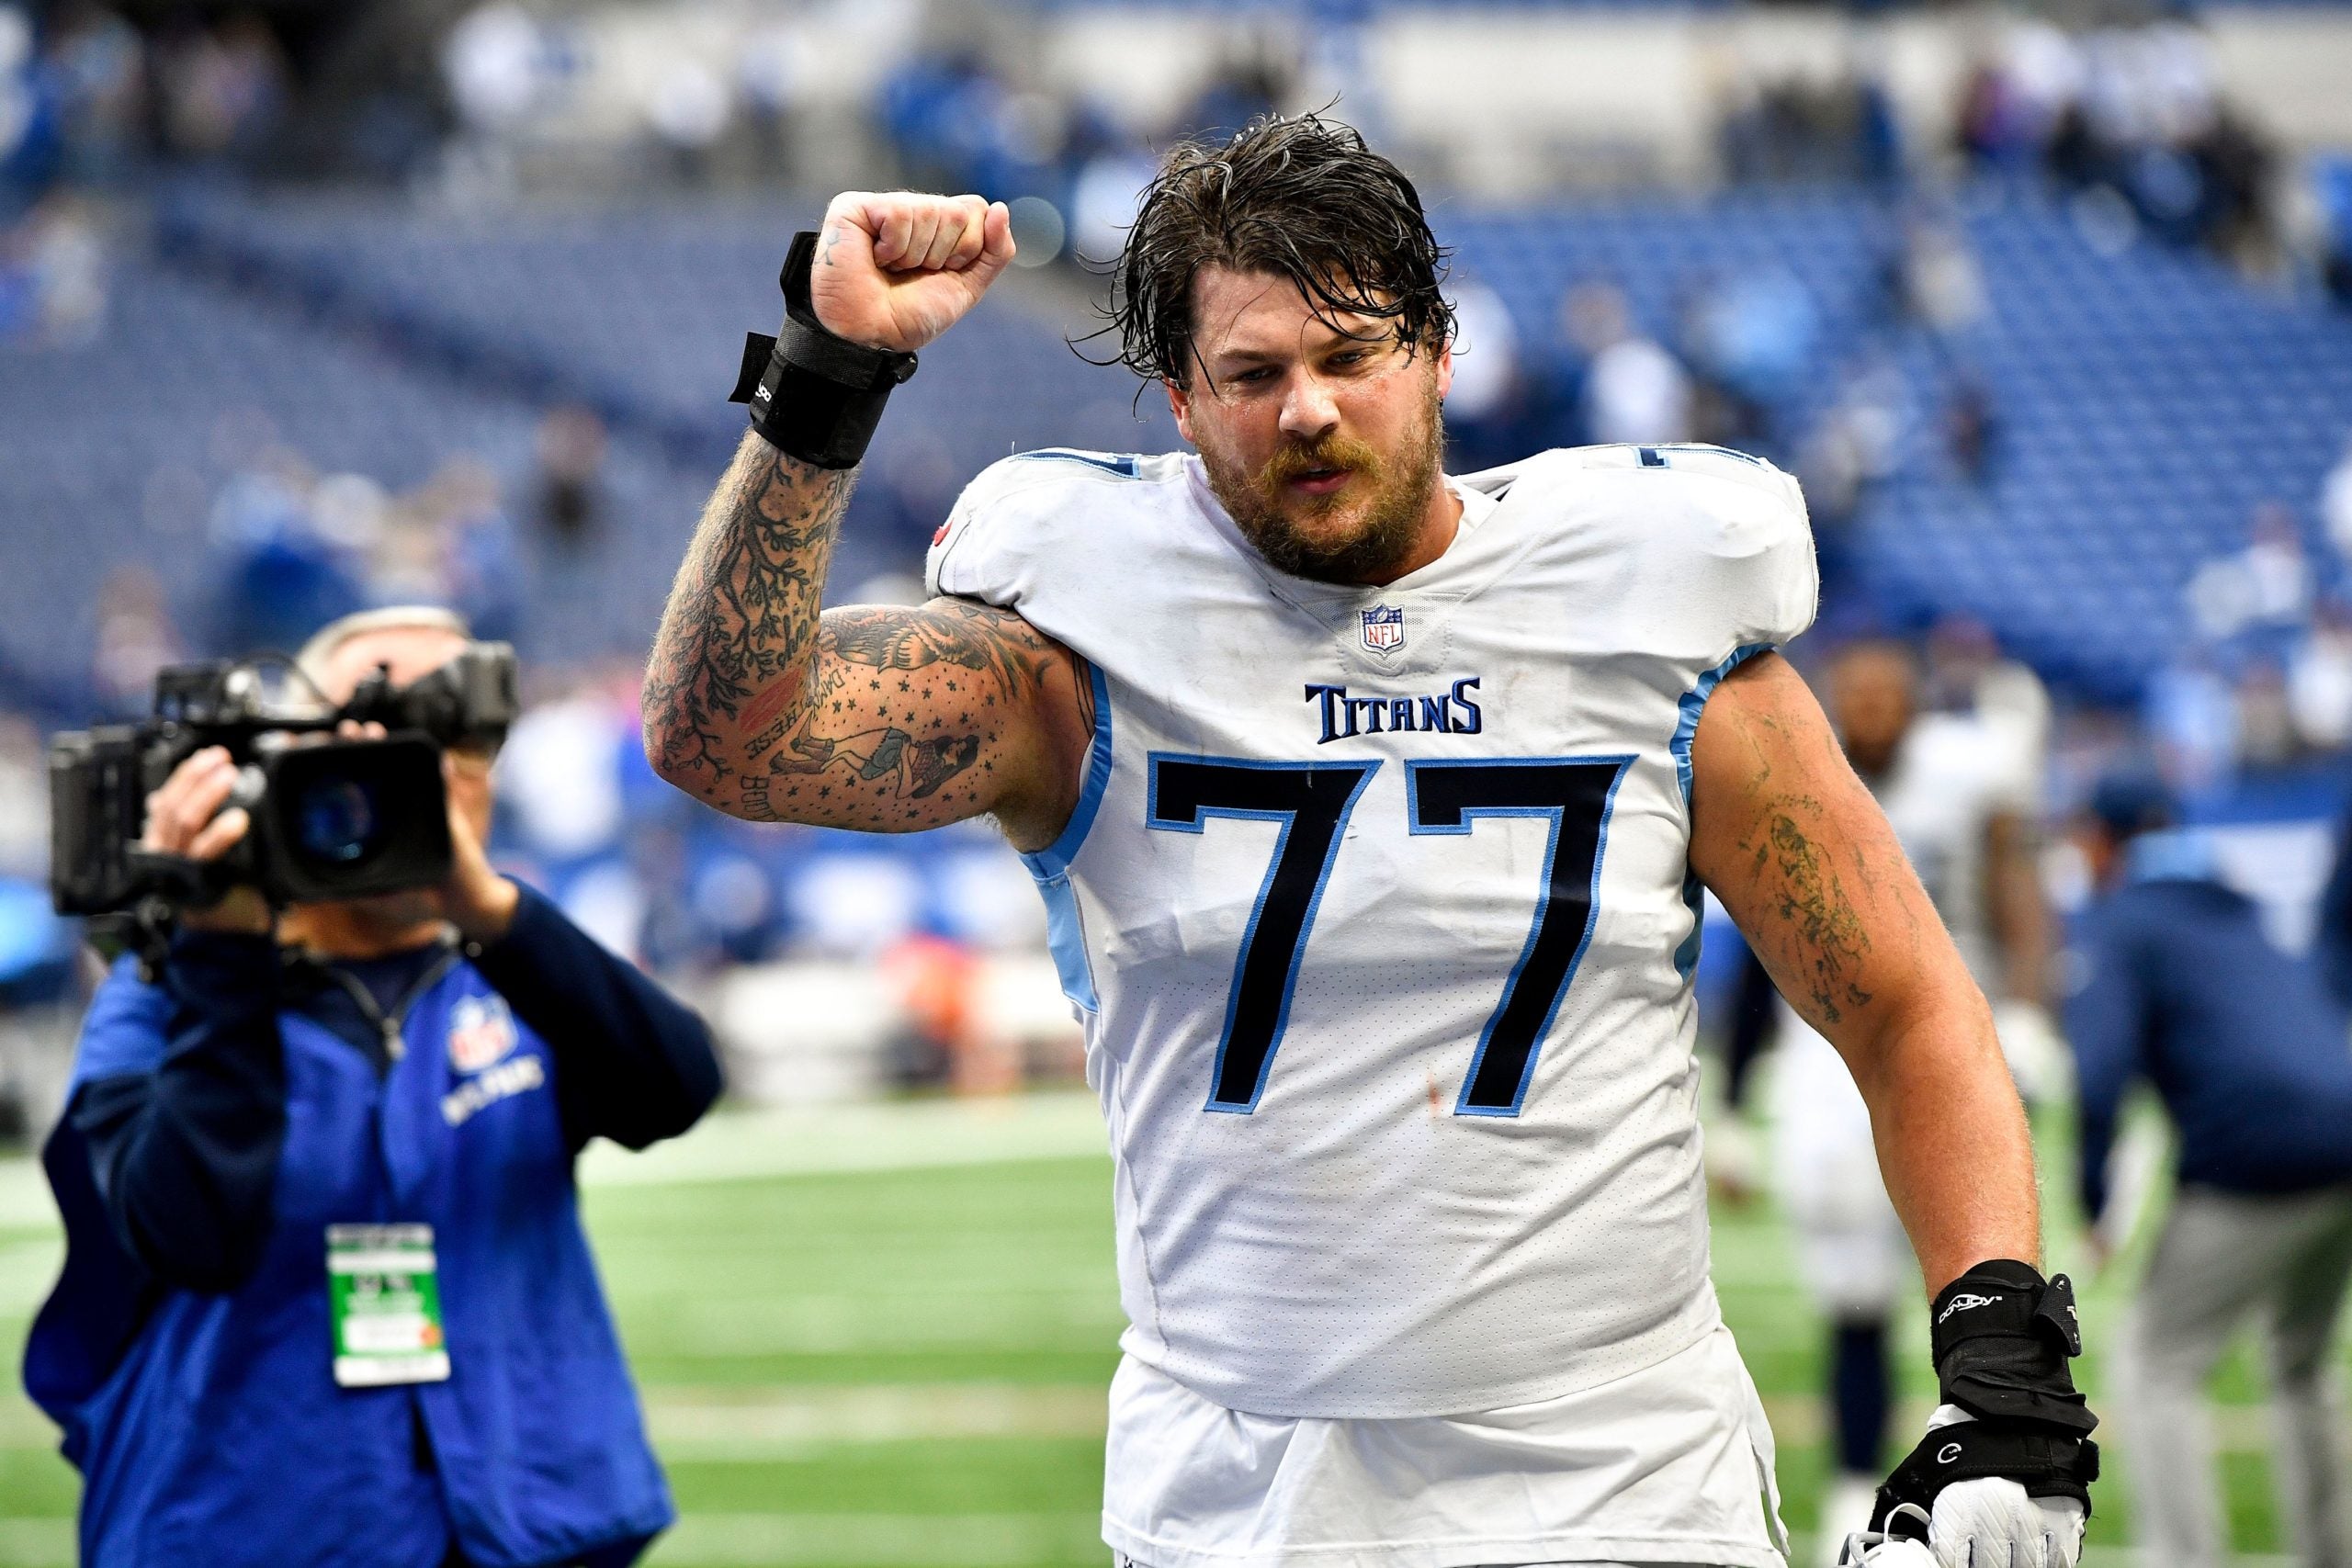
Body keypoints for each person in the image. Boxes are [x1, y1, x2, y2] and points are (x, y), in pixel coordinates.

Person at [642, 115, 2097, 1568]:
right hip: (1239, 1496)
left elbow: (1907, 1006)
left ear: (1439, 353)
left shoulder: (1641, 622)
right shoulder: (1075, 660)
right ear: (1181, 402)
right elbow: (723, 731)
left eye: (1352, 355)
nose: (1309, 410)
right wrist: (831, 372)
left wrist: (2003, 1367)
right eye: (1254, 373)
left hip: (1620, 1476)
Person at [22, 606, 724, 1568]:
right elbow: (189, 1234)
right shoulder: (168, 985)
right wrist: (221, 947)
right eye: (367, 727)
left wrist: (491, 911)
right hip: (252, 1522)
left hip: (525, 1517)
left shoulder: (516, 963)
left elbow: (674, 1090)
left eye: (458, 730)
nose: (416, 767)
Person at [1762, 639, 2059, 1558]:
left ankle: (1980, 1476)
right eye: (1856, 696)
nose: (1874, 712)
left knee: (1970, 1277)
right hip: (1822, 1042)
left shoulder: (1966, 777)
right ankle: (1857, 1486)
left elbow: (2016, 889)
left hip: (1949, 1033)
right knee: (1849, 1279)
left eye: (1889, 696)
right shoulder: (1793, 770)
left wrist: (2028, 1012)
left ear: (1919, 705)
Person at [2066, 770, 2352, 1568]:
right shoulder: (2242, 909)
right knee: (2300, 1367)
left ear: (2101, 837)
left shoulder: (2125, 920)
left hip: (2254, 1157)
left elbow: (2097, 1073)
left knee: (2157, 1366)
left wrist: (2093, 1198)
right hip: (2345, 1140)